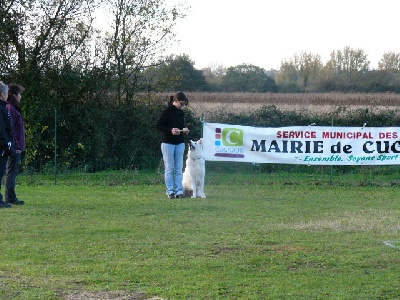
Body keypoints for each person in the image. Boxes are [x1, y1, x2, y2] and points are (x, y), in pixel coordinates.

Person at [156, 92, 190, 199]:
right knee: (169, 168)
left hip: (179, 143)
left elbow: (181, 125)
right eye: (181, 104)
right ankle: (170, 191)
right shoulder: (166, 111)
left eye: (184, 104)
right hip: (168, 143)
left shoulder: (181, 113)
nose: (182, 106)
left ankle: (179, 191)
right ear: (175, 101)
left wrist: (184, 129)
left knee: (179, 169)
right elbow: (159, 126)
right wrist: (170, 130)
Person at [6, 83, 26, 205]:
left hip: (16, 144)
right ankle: (10, 197)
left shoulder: (13, 108)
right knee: (11, 171)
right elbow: (12, 129)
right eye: (19, 94)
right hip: (15, 145)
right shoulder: (11, 108)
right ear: (14, 95)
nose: (20, 97)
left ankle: (11, 196)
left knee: (12, 171)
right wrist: (17, 145)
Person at [0, 82, 15, 208]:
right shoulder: (1, 109)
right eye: (5, 93)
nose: (7, 96)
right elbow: (2, 129)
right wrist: (7, 145)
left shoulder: (3, 107)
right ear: (2, 94)